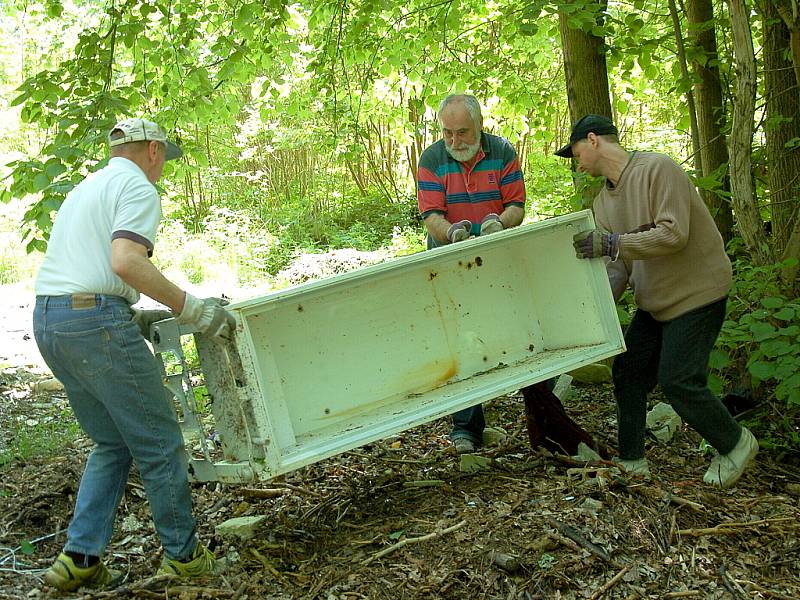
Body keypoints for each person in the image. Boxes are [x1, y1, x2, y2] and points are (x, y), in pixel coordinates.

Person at [32, 118, 234, 591]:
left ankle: (80, 558)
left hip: (50, 320)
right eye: (163, 159)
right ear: (154, 151)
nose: (162, 168)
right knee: (160, 443)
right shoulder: (139, 187)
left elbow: (89, 272)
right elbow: (126, 260)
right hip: (93, 324)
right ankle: (184, 557)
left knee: (113, 442)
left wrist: (129, 312)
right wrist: (190, 309)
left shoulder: (86, 188)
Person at [555, 114, 758, 488]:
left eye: (576, 150)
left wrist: (614, 243)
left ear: (595, 140)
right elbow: (620, 268)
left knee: (678, 379)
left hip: (698, 293)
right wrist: (592, 315)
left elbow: (674, 234)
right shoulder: (603, 203)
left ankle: (735, 443)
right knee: (629, 371)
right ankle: (632, 462)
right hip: (656, 302)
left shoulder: (657, 169)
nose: (576, 160)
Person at [416, 94, 526, 454]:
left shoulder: (503, 152)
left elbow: (516, 206)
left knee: (518, 328)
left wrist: (499, 223)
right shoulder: (432, 158)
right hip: (449, 258)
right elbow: (431, 215)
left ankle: (541, 414)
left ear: (479, 125)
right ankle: (466, 428)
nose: (454, 142)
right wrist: (451, 234)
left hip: (496, 256)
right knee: (460, 338)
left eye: (462, 132)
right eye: (447, 133)